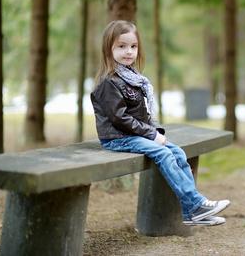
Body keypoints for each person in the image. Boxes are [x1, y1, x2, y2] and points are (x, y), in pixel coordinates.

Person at [90, 20, 230, 226]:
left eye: (133, 46)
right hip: (117, 137)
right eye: (122, 46)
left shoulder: (133, 78)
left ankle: (192, 213)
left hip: (133, 134)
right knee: (163, 153)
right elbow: (119, 118)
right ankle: (195, 205)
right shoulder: (109, 82)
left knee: (179, 153)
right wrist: (152, 134)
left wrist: (155, 131)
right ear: (108, 48)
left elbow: (142, 114)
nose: (129, 51)